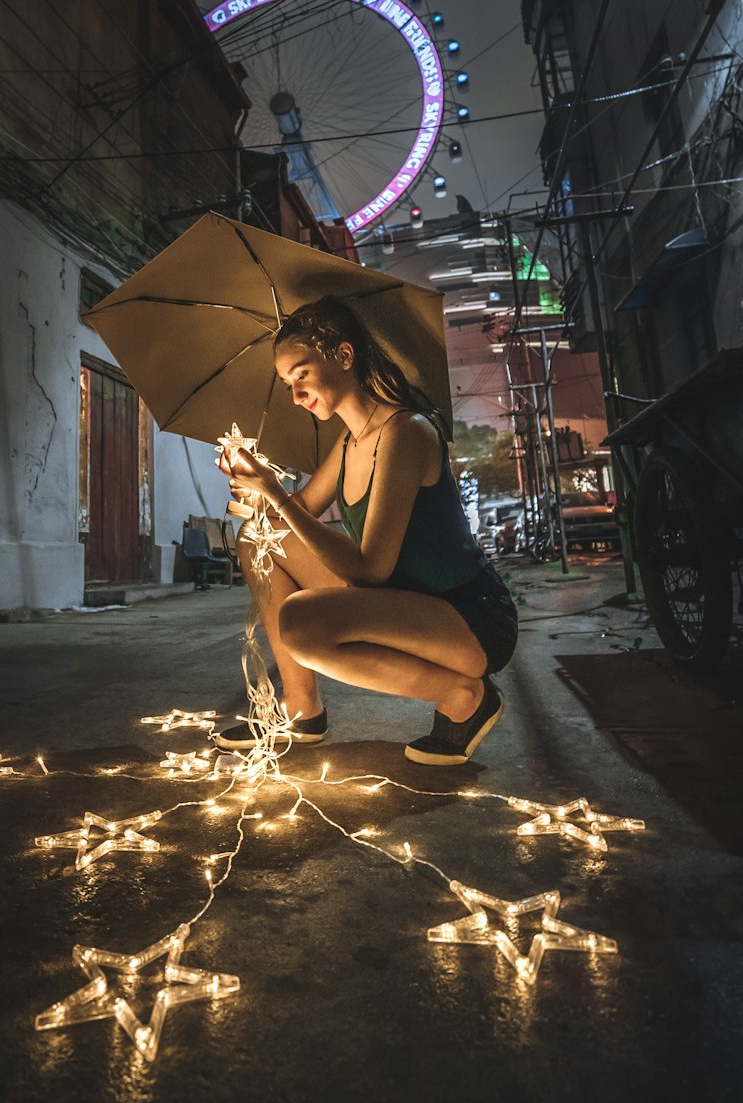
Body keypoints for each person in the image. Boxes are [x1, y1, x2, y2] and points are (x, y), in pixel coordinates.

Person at [214, 297, 517, 765]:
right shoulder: (350, 441)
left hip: (467, 618)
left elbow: (371, 569)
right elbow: (289, 518)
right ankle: (301, 710)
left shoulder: (405, 432)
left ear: (344, 356)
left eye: (302, 374)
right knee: (257, 537)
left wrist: (274, 493)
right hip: (404, 601)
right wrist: (256, 495)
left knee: (302, 622)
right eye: (287, 383)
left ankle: (464, 697)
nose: (295, 395)